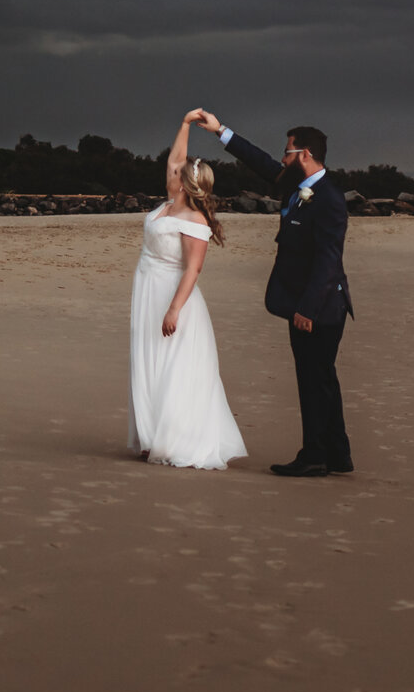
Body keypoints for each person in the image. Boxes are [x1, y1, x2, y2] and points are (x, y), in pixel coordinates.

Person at [186, 108, 352, 478]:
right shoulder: (299, 185)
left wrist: (307, 308)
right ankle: (338, 454)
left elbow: (328, 260)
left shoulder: (328, 197)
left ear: (304, 154)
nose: (283, 158)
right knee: (322, 378)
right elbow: (260, 163)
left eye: (287, 152)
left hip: (321, 306)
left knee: (313, 380)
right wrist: (220, 131)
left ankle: (315, 455)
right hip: (309, 301)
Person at [125, 114, 248, 470]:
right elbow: (174, 158)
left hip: (171, 294)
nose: (172, 171)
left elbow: (193, 269)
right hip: (147, 289)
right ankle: (150, 436)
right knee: (147, 359)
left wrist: (174, 309)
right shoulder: (169, 203)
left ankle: (171, 438)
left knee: (171, 366)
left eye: (177, 173)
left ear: (184, 184)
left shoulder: (194, 220)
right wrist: (184, 124)